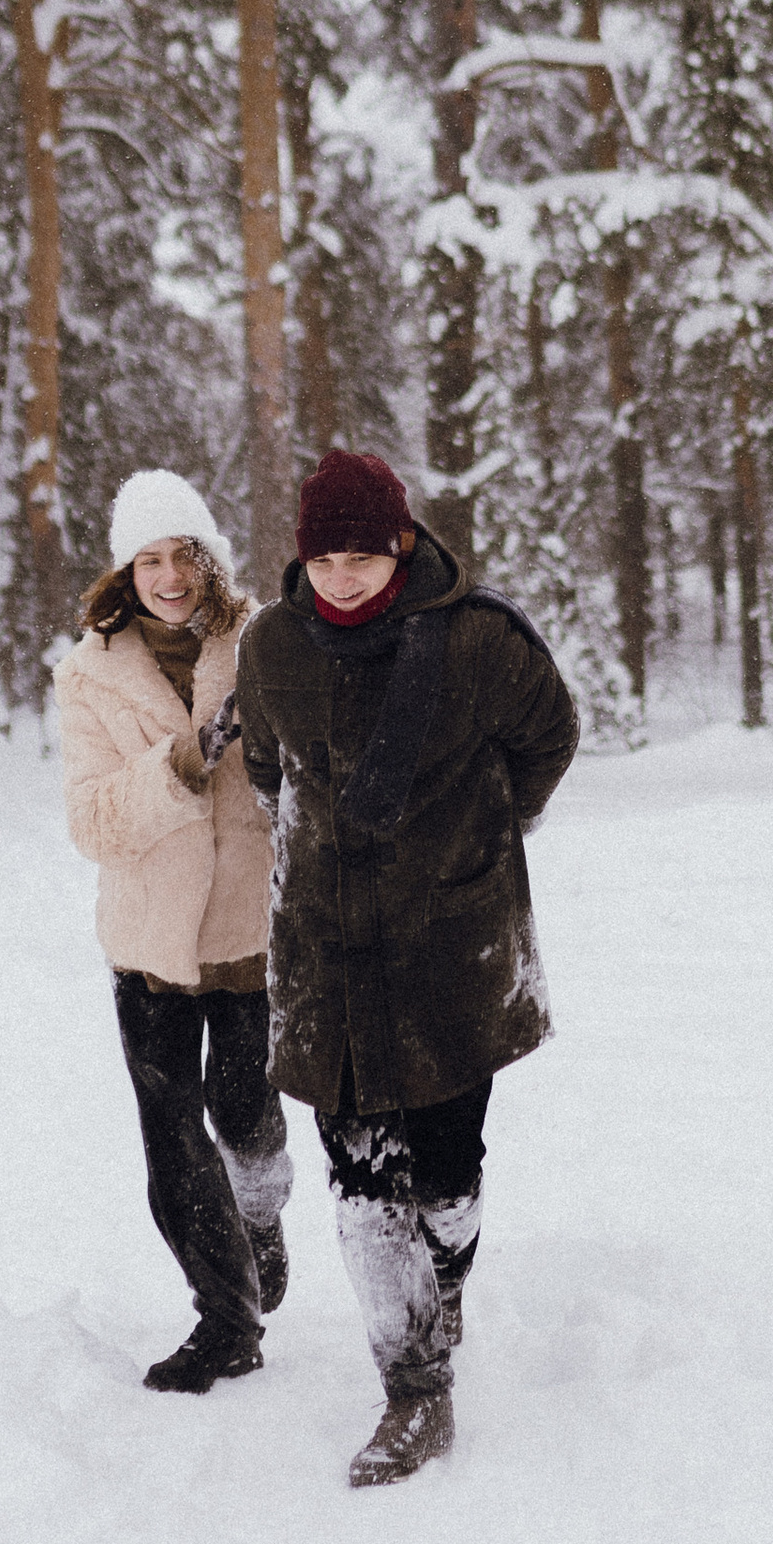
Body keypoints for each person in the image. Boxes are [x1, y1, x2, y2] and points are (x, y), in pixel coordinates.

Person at [237, 448, 579, 1488]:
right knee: (359, 1190)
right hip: (327, 961)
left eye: (363, 553)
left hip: (446, 953)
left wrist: (475, 843)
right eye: (325, 556)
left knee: (444, 1175)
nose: (343, 575)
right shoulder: (272, 645)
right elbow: (265, 767)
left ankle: (450, 1277)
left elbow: (548, 739)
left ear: (399, 544)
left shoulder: (477, 640)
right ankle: (415, 1393)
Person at [58, 468, 291, 1394]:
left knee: (244, 1114)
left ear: (210, 559)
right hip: (150, 945)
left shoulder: (263, 642)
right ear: (125, 572)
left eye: (182, 555)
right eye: (147, 560)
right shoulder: (89, 674)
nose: (168, 576)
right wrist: (184, 761)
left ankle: (263, 1216)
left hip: (246, 936)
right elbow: (91, 820)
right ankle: (227, 1321)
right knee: (174, 1144)